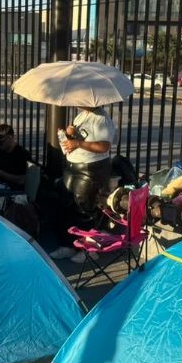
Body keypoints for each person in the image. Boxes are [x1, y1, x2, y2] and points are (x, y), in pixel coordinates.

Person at [48, 106, 116, 263]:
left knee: (84, 208)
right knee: (67, 204)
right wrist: (68, 135)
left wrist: (77, 143)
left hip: (91, 168)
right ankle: (67, 244)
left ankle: (88, 249)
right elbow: (77, 140)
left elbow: (103, 146)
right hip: (74, 165)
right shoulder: (81, 116)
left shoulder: (101, 119)